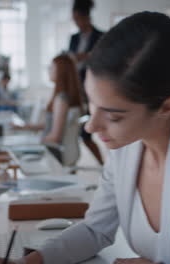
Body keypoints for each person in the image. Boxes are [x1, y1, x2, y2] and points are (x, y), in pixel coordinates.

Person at [0, 12, 170, 264]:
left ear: (168, 107)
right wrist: (27, 263)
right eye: (92, 104)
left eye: (113, 116)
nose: (91, 127)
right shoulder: (128, 141)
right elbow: (95, 230)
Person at [14, 55, 84, 147]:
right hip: (51, 147)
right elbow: (52, 125)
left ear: (60, 72)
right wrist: (25, 127)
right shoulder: (65, 96)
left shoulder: (61, 99)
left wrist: (31, 143)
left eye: (51, 68)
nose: (48, 71)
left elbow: (55, 137)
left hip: (50, 149)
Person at [69, 0, 104, 165]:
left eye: (78, 18)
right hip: (76, 89)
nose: (76, 22)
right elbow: (69, 61)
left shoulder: (101, 36)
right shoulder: (74, 38)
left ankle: (103, 165)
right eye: (74, 19)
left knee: (85, 133)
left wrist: (88, 56)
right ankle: (71, 165)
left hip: (94, 90)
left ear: (86, 17)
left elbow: (105, 62)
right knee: (74, 132)